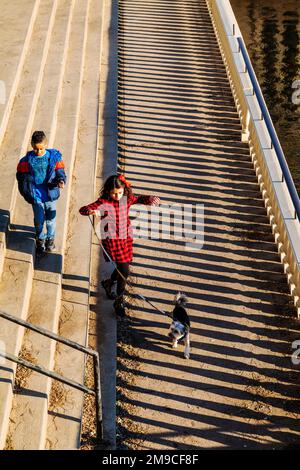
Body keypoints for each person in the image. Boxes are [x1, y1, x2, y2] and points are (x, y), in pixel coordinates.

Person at [79, 174, 160, 316]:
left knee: (123, 267)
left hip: (126, 237)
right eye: (113, 193)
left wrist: (150, 199)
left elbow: (138, 198)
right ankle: (119, 300)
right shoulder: (104, 202)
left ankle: (109, 283)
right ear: (108, 192)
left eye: (120, 193)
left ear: (124, 190)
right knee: (125, 270)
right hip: (113, 240)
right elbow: (84, 209)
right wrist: (91, 211)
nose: (117, 196)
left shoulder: (126, 199)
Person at [16, 131, 67, 253]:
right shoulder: (25, 161)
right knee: (39, 219)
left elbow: (60, 170)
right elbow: (21, 177)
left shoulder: (54, 157)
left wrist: (61, 180)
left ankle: (50, 239)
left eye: (41, 149)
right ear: (32, 145)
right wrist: (26, 192)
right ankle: (40, 238)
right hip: (35, 195)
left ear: (46, 144)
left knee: (51, 218)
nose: (38, 152)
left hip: (50, 194)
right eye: (35, 149)